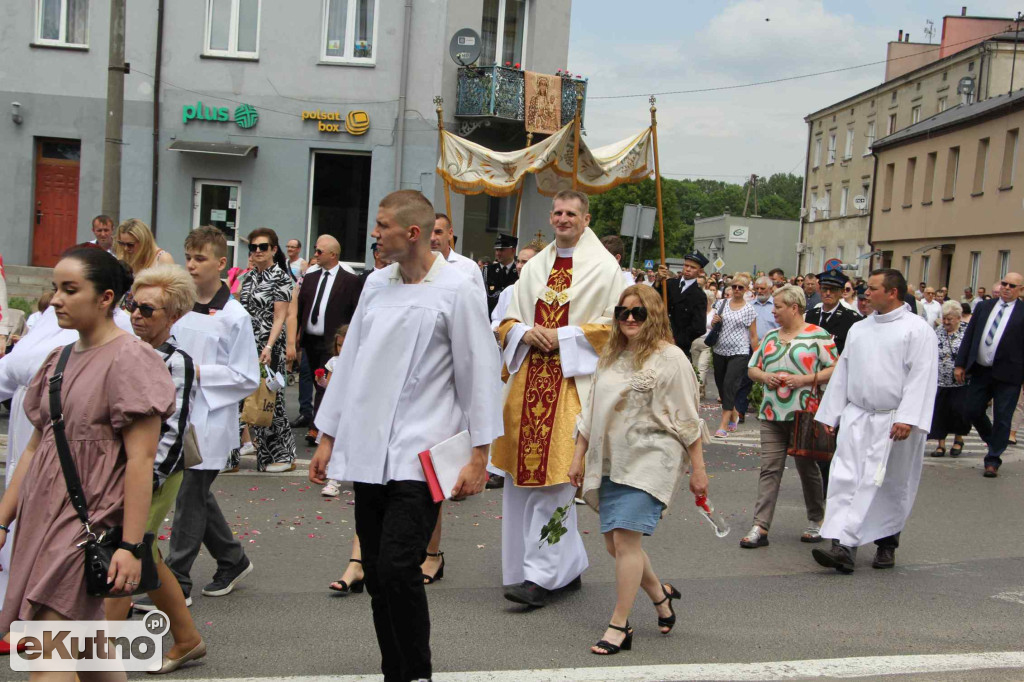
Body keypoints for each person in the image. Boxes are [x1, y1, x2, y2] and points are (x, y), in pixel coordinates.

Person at [309, 190, 502, 682]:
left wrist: (480, 456)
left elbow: (479, 372)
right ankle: (394, 669)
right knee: (376, 572)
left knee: (399, 566)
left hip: (423, 454)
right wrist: (327, 435)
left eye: (382, 225)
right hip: (372, 450)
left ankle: (418, 672)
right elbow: (350, 363)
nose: (374, 234)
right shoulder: (375, 284)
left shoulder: (458, 287)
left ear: (412, 233)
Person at [0, 248, 175, 668]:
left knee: (49, 649)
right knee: (89, 653)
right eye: (56, 288)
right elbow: (34, 448)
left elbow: (140, 460)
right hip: (42, 519)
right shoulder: (56, 362)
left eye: (70, 289)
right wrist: (3, 519)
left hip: (87, 523)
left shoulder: (132, 360)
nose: (56, 299)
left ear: (105, 297)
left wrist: (131, 547)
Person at [492, 190, 626, 608]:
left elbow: (617, 327)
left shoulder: (606, 269)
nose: (563, 219)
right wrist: (520, 332)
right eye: (557, 213)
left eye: (571, 213)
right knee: (520, 487)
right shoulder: (535, 265)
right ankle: (556, 569)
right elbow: (504, 317)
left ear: (586, 219)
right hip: (528, 382)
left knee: (555, 484)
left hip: (572, 388)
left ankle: (541, 577)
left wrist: (564, 336)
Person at [568, 284, 709, 655]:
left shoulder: (672, 358)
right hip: (612, 458)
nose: (629, 319)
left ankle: (619, 625)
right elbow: (590, 411)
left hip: (651, 458)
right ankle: (660, 595)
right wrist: (577, 457)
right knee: (614, 544)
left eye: (638, 312)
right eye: (623, 312)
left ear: (653, 315)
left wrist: (698, 469)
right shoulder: (610, 356)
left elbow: (687, 418)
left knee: (627, 541)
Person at [105, 264, 206, 673]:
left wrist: (145, 483)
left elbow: (172, 432)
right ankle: (187, 639)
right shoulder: (122, 349)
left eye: (148, 310)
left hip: (155, 472)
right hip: (121, 469)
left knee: (120, 552)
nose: (136, 315)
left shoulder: (177, 361)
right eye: (133, 305)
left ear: (174, 317)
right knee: (145, 550)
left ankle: (93, 659)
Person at [158, 227, 259, 608]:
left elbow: (246, 376)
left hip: (209, 419)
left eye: (200, 258)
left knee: (189, 494)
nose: (191, 265)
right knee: (198, 496)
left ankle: (176, 579)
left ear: (221, 263)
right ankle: (233, 560)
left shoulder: (235, 316)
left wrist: (196, 373)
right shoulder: (179, 307)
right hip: (175, 415)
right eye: (188, 257)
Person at [811, 269, 937, 573]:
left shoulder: (916, 330)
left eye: (873, 288)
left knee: (886, 482)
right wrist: (831, 413)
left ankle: (886, 544)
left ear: (892, 292)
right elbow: (844, 372)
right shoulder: (860, 329)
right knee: (846, 478)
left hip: (892, 420)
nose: (866, 293)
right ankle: (842, 545)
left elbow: (922, 377)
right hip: (857, 415)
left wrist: (908, 418)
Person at [741, 285, 834, 549]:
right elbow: (752, 368)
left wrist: (803, 380)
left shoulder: (818, 336)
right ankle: (760, 526)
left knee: (807, 468)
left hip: (804, 414)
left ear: (794, 307)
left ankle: (816, 520)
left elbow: (836, 367)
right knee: (769, 468)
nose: (773, 311)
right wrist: (765, 377)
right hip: (772, 413)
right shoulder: (771, 337)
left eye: (778, 306)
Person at [287, 234, 361, 442]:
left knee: (323, 382)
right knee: (314, 381)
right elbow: (300, 309)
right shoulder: (310, 277)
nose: (315, 255)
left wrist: (348, 339)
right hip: (311, 340)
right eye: (315, 250)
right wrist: (295, 338)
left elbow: (356, 312)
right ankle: (320, 422)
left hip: (332, 342)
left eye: (319, 251)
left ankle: (315, 427)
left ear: (333, 254)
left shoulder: (349, 281)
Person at [234, 227, 297, 473]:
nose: (257, 251)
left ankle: (284, 455)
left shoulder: (281, 277)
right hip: (247, 344)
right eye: (253, 247)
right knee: (243, 398)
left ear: (273, 249)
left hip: (268, 346)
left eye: (263, 247)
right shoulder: (248, 278)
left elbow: (280, 316)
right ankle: (240, 455)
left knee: (271, 399)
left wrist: (270, 346)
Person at [954, 272, 1024, 478]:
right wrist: (960, 364)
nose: (1007, 288)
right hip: (981, 370)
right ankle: (993, 439)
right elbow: (970, 336)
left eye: (1012, 285)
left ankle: (993, 459)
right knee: (971, 410)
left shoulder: (1021, 312)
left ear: (1020, 290)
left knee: (1003, 417)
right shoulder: (984, 307)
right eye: (1004, 283)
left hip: (1009, 374)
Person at [929, 300, 990, 458]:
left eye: (950, 318)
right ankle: (940, 445)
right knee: (940, 413)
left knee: (959, 412)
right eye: (944, 318)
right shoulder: (938, 332)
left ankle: (958, 440)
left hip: (961, 381)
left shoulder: (966, 332)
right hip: (940, 380)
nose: (946, 322)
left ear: (958, 317)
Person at [711, 272, 758, 438]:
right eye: (734, 287)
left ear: (746, 290)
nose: (737, 290)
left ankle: (723, 424)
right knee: (720, 385)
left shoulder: (749, 309)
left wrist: (757, 356)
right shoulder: (721, 304)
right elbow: (712, 324)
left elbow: (753, 335)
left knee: (730, 385)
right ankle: (734, 412)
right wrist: (714, 321)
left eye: (740, 287)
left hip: (739, 351)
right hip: (719, 349)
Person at [660, 251, 711, 359]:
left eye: (692, 267)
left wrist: (678, 339)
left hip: (678, 345)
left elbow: (699, 327)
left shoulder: (699, 296)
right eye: (686, 265)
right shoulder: (669, 284)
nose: (688, 269)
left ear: (700, 271)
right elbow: (653, 300)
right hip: (659, 337)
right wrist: (657, 281)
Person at [805, 270, 862, 357]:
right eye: (824, 289)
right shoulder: (809, 316)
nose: (828, 293)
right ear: (819, 290)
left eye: (833, 289)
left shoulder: (852, 319)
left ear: (842, 292)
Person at [491, 241, 543, 331]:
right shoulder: (509, 291)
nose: (518, 266)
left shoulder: (545, 292)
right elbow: (497, 318)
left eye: (524, 262)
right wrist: (496, 327)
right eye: (518, 261)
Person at [485, 232, 521, 313]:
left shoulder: (520, 270)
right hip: (491, 318)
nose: (498, 253)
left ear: (513, 250)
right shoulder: (488, 271)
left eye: (502, 250)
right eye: (496, 250)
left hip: (513, 316)